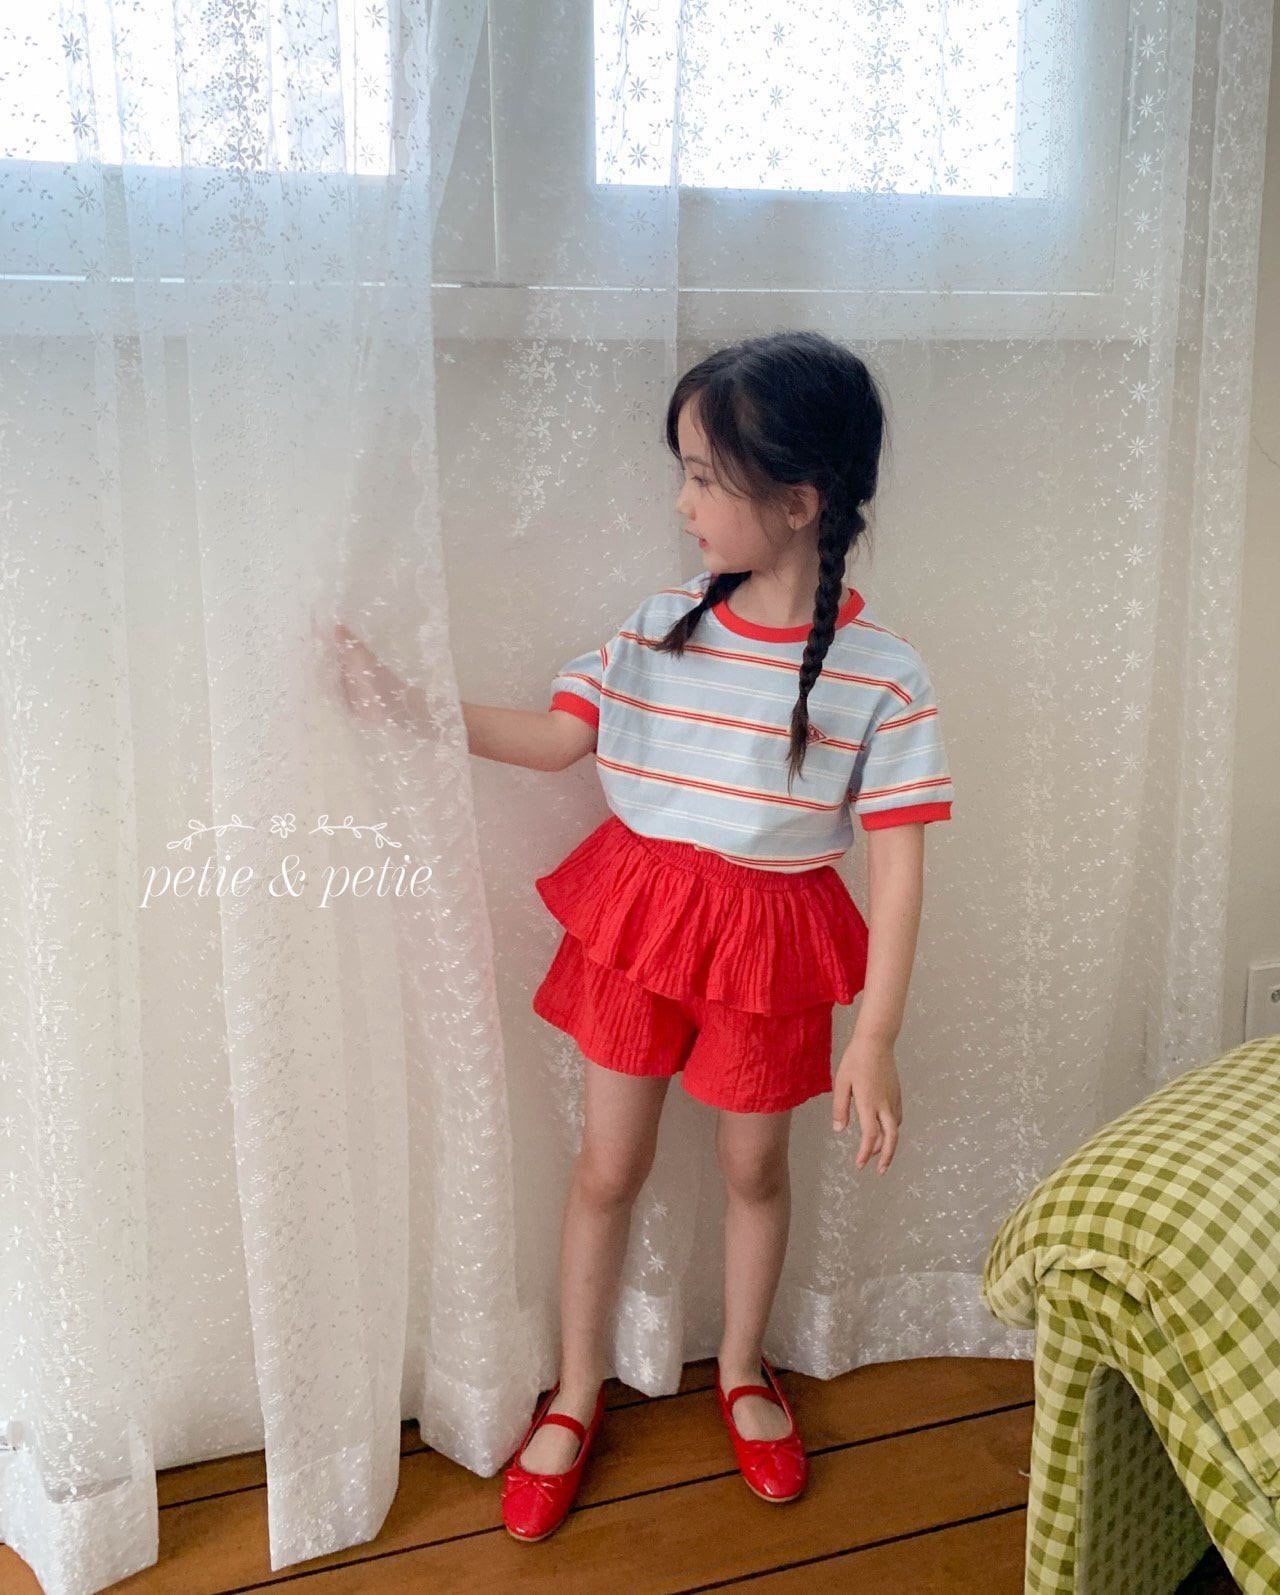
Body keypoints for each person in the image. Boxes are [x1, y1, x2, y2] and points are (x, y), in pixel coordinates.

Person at [328, 329, 954, 1543]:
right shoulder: (662, 627)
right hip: (641, 918)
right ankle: (574, 1387)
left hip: (771, 941)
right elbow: (558, 736)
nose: (681, 503)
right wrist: (406, 706)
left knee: (752, 1166)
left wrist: (874, 1035)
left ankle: (742, 1365)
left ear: (798, 500)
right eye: (683, 472)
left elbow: (898, 863)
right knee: (605, 1164)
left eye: (704, 478)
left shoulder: (882, 675)